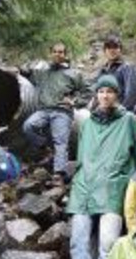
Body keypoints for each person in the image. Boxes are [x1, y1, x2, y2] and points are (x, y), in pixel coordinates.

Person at [66, 75, 136, 259]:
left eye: (109, 92)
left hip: (113, 190)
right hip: (83, 191)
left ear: (117, 95)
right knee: (78, 244)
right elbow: (80, 156)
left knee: (107, 246)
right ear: (96, 95)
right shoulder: (87, 123)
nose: (105, 96)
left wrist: (132, 186)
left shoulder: (128, 121)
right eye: (101, 92)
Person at [19, 42, 88, 185]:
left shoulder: (73, 74)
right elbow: (25, 73)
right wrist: (23, 67)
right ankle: (45, 149)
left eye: (61, 52)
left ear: (65, 54)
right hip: (43, 110)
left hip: (62, 112)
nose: (58, 54)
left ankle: (58, 174)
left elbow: (88, 92)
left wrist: (74, 102)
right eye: (55, 51)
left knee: (60, 141)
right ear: (51, 53)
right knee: (28, 126)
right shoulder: (43, 73)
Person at [93, 36, 136, 112]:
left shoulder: (126, 68)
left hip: (121, 111)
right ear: (105, 50)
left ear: (120, 50)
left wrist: (122, 111)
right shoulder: (102, 71)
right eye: (109, 47)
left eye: (115, 47)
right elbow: (96, 93)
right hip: (105, 111)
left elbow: (132, 94)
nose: (112, 50)